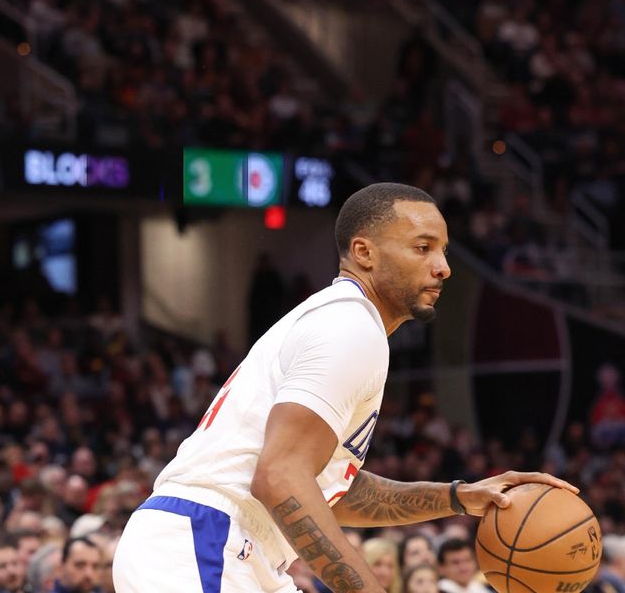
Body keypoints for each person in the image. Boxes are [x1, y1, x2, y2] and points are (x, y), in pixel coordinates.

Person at [113, 183, 578, 592]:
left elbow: (334, 491)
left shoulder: (346, 323)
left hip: (229, 547)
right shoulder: (350, 327)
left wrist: (456, 496)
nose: (443, 268)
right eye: (423, 247)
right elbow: (280, 478)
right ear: (364, 252)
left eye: (444, 251)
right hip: (206, 541)